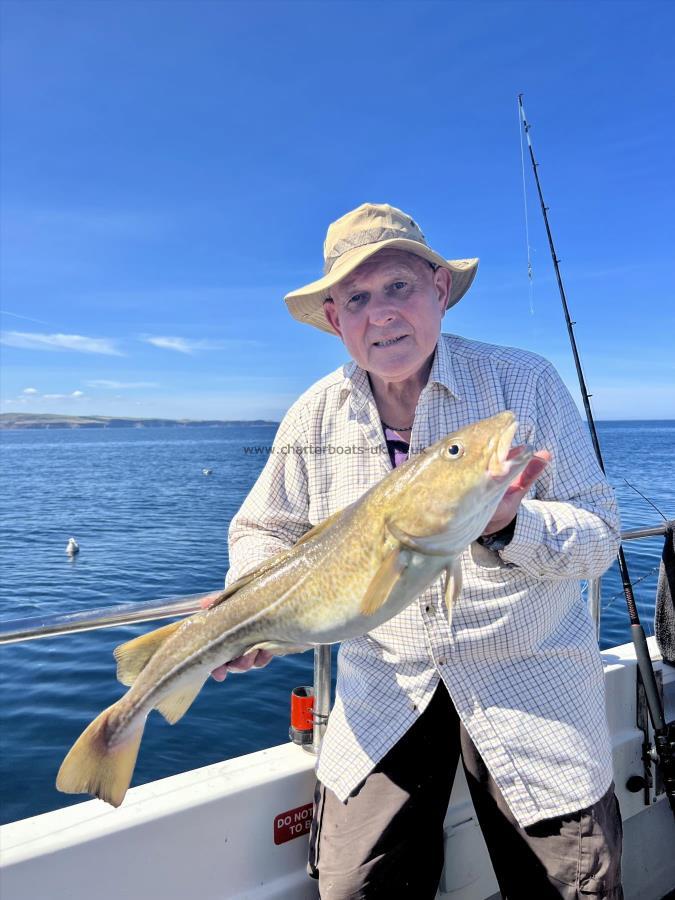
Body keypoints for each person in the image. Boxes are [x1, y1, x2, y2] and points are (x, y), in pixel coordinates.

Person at [211, 203, 623, 899]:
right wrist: (255, 601)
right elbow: (263, 527)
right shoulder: (314, 413)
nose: (380, 314)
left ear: (438, 288)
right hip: (386, 686)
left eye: (398, 286)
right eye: (356, 299)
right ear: (334, 320)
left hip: (529, 681)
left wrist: (506, 526)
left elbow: (600, 535)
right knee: (353, 887)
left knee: (569, 888)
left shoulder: (522, 386)